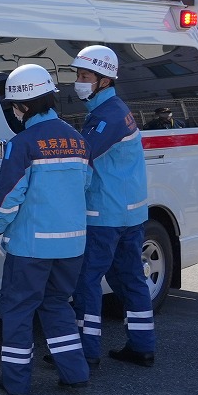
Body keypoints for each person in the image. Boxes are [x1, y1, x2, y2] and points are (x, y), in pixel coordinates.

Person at [0, 65, 93, 395]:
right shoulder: (78, 141)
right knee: (58, 304)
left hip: (31, 247)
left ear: (24, 106)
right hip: (72, 246)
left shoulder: (23, 143)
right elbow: (86, 185)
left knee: (19, 309)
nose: (15, 112)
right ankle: (75, 373)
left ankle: (17, 382)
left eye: (15, 107)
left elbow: (8, 198)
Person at [69, 45, 156, 366]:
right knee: (131, 278)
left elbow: (82, 155)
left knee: (87, 281)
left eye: (85, 76)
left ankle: (85, 351)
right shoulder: (117, 109)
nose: (79, 81)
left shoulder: (107, 117)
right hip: (131, 213)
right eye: (78, 75)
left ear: (104, 80)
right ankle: (142, 345)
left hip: (104, 215)